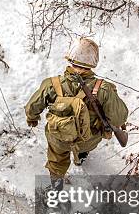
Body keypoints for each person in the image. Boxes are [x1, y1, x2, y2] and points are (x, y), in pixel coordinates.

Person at [25, 38, 129, 191]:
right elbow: (120, 117)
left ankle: (56, 188)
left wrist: (32, 118)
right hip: (88, 139)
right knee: (83, 145)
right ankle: (80, 156)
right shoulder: (104, 89)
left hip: (58, 136)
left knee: (57, 160)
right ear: (93, 62)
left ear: (70, 58)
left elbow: (31, 107)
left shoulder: (52, 84)